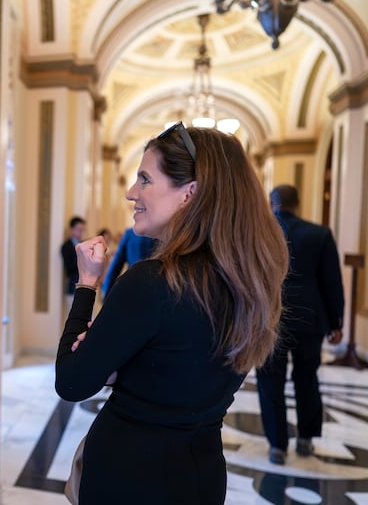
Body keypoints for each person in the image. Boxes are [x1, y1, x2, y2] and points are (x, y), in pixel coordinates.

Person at [55, 123, 289, 504]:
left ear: (189, 193)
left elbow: (71, 382)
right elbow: (182, 368)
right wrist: (126, 365)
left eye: (145, 179)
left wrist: (86, 286)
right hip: (201, 476)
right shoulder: (248, 283)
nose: (132, 193)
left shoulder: (153, 281)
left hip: (129, 478)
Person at [256, 184, 344, 465]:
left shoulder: (261, 232)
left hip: (272, 318)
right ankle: (305, 439)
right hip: (310, 319)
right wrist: (336, 321)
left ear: (272, 204)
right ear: (298, 203)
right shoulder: (319, 234)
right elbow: (332, 282)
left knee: (271, 380)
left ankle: (277, 445)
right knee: (307, 378)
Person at [100, 227, 156, 295]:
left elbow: (115, 266)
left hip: (133, 284)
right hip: (155, 287)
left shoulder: (130, 234)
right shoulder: (161, 233)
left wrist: (106, 291)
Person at [61, 216, 86, 307]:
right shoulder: (66, 246)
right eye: (79, 229)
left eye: (82, 230)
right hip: (72, 285)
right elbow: (69, 267)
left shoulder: (84, 244)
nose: (81, 232)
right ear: (71, 229)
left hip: (85, 285)